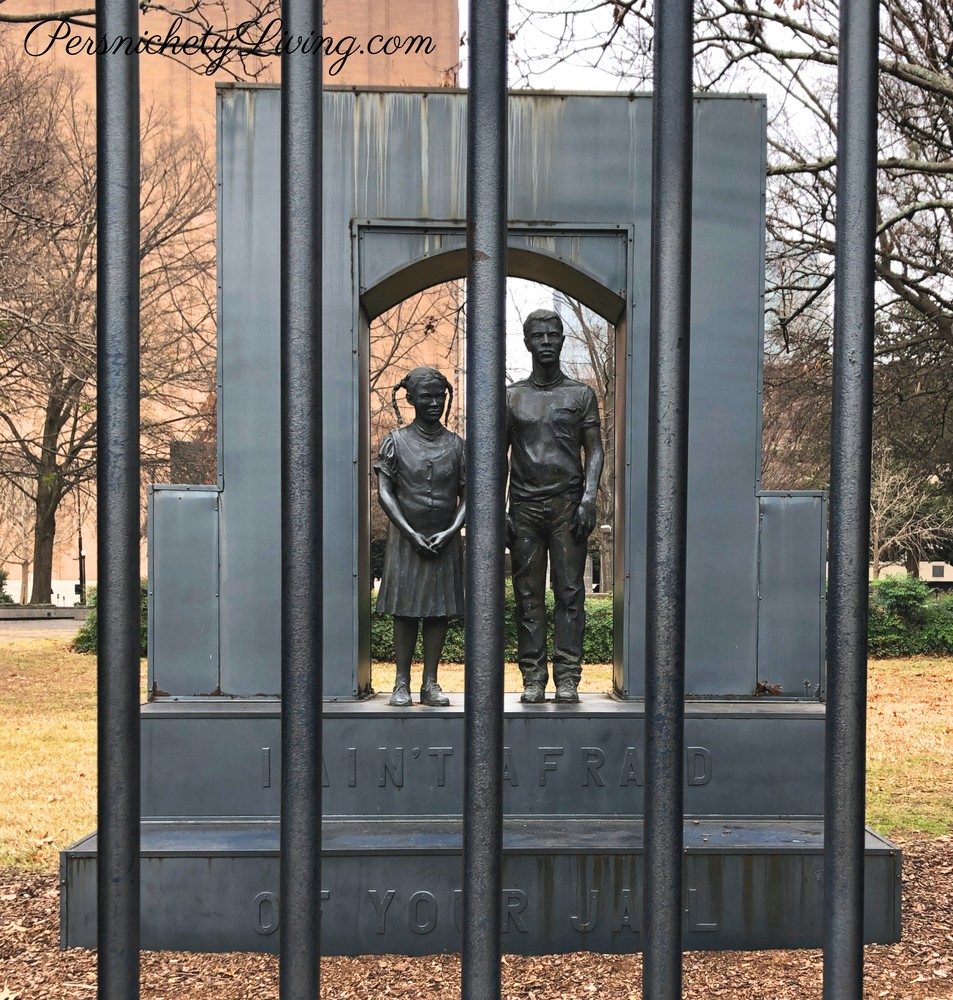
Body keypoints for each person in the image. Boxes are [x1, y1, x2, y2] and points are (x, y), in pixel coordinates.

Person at [506, 309, 604, 704]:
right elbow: (497, 455)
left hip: (568, 505)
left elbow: (595, 451)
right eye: (539, 336)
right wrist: (499, 510)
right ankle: (533, 677)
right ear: (527, 341)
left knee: (569, 593)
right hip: (524, 507)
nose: (546, 342)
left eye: (553, 335)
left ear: (562, 340)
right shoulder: (512, 396)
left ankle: (568, 676)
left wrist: (590, 498)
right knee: (527, 597)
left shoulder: (581, 394)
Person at [374, 366, 466, 707]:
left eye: (439, 396)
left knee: (438, 611)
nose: (433, 403)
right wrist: (410, 532)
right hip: (405, 538)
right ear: (411, 399)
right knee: (405, 610)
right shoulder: (395, 442)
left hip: (445, 538)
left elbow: (470, 495)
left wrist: (452, 529)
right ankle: (401, 682)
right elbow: (384, 491)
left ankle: (431, 682)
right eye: (425, 397)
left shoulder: (458, 446)